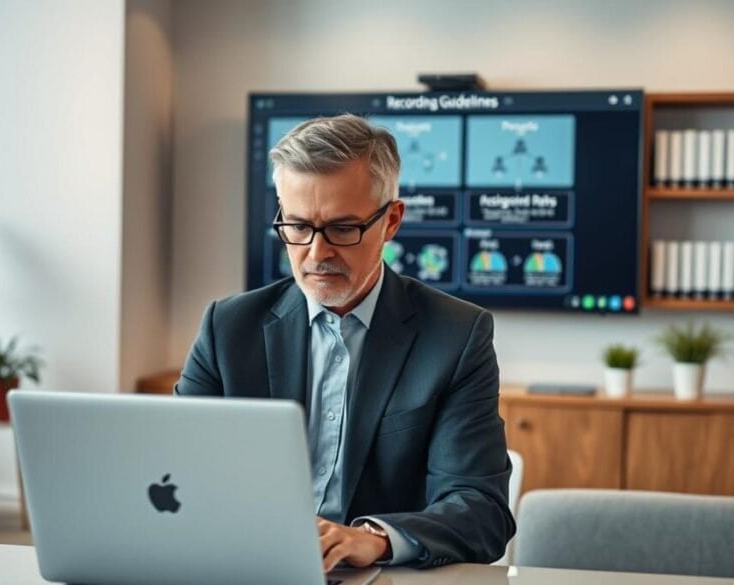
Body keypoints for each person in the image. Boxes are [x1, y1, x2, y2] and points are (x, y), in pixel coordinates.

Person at [175, 114, 515, 571]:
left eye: (342, 229)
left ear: (391, 220)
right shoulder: (227, 328)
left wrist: (373, 538)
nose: (316, 254)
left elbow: (481, 509)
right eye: (297, 227)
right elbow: (174, 468)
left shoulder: (456, 336)